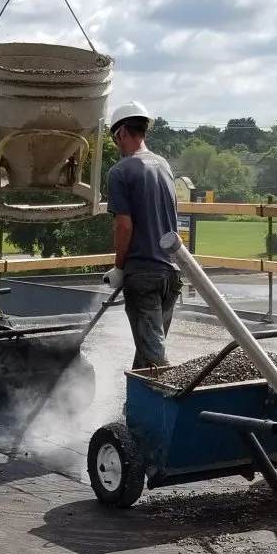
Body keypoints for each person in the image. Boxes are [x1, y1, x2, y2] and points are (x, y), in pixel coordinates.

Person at [103, 101, 182, 369]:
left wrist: (118, 267)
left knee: (154, 357)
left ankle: (172, 407)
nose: (117, 144)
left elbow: (124, 226)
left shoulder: (120, 172)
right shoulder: (164, 166)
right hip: (171, 274)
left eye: (116, 138)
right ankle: (135, 407)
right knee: (149, 347)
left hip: (143, 275)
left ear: (122, 132)